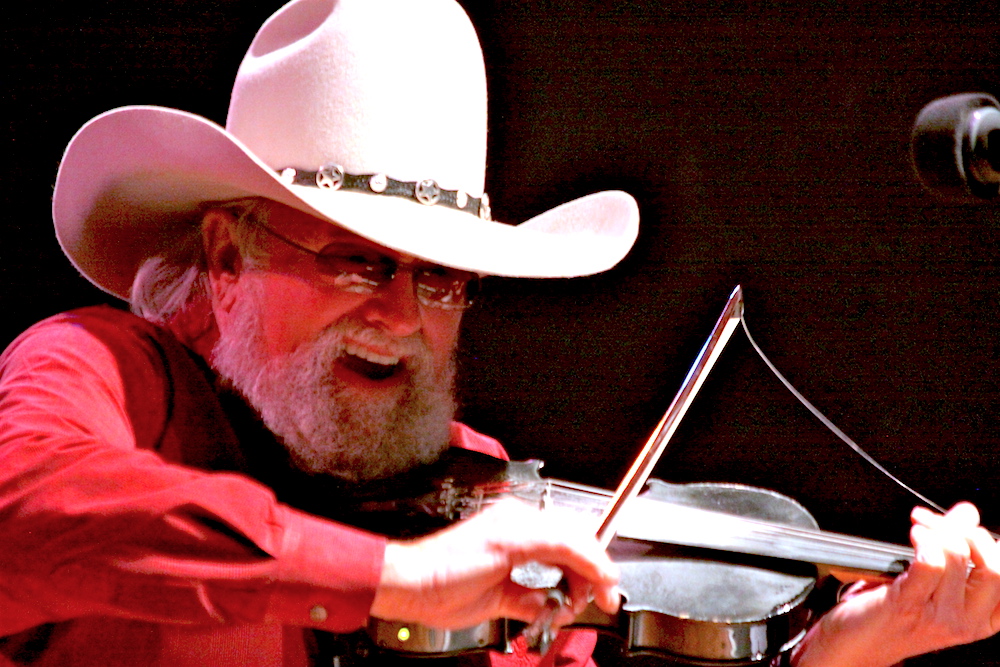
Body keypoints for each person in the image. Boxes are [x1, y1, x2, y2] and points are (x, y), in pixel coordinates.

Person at [0, 1, 996, 666]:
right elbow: (21, 511)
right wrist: (393, 578)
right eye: (357, 261)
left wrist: (852, 643)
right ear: (224, 256)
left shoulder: (476, 496)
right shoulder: (107, 379)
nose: (400, 315)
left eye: (440, 278)